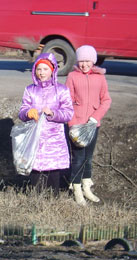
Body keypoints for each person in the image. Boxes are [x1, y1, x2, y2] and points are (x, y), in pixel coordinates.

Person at [18, 53, 74, 195]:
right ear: (34, 71)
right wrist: (27, 113)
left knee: (53, 169)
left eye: (45, 69)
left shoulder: (61, 90)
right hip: (35, 137)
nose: (41, 73)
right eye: (39, 69)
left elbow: (68, 113)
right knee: (35, 168)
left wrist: (53, 113)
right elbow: (22, 111)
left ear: (52, 70)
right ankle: (36, 197)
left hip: (54, 137)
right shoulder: (30, 90)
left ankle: (52, 198)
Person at [66, 45, 112, 205]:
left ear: (93, 61)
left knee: (89, 157)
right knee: (78, 158)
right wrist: (72, 124)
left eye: (87, 61)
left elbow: (106, 100)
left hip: (93, 125)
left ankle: (87, 187)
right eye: (81, 61)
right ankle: (76, 189)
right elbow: (67, 101)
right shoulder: (72, 76)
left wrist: (95, 117)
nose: (84, 64)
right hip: (77, 125)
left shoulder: (100, 78)